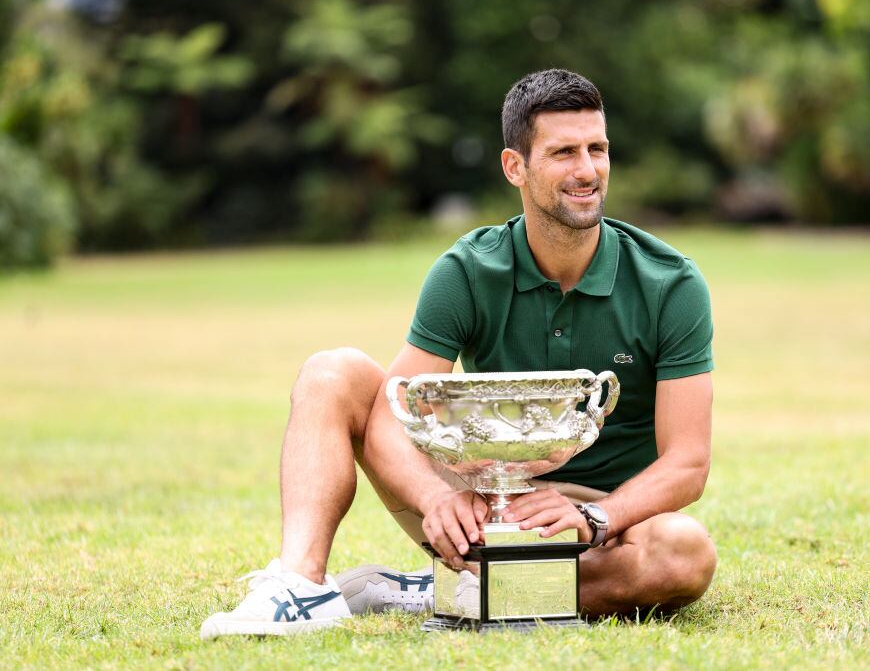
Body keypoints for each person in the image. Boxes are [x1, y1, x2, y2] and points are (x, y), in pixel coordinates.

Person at [200, 69, 717, 640]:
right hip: (476, 499)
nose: (587, 170)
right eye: (564, 152)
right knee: (331, 373)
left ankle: (446, 593)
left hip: (601, 520)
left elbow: (688, 461)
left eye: (597, 149)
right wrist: (435, 499)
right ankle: (301, 586)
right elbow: (390, 415)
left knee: (684, 553)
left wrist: (596, 519)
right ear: (514, 166)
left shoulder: (671, 283)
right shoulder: (469, 271)